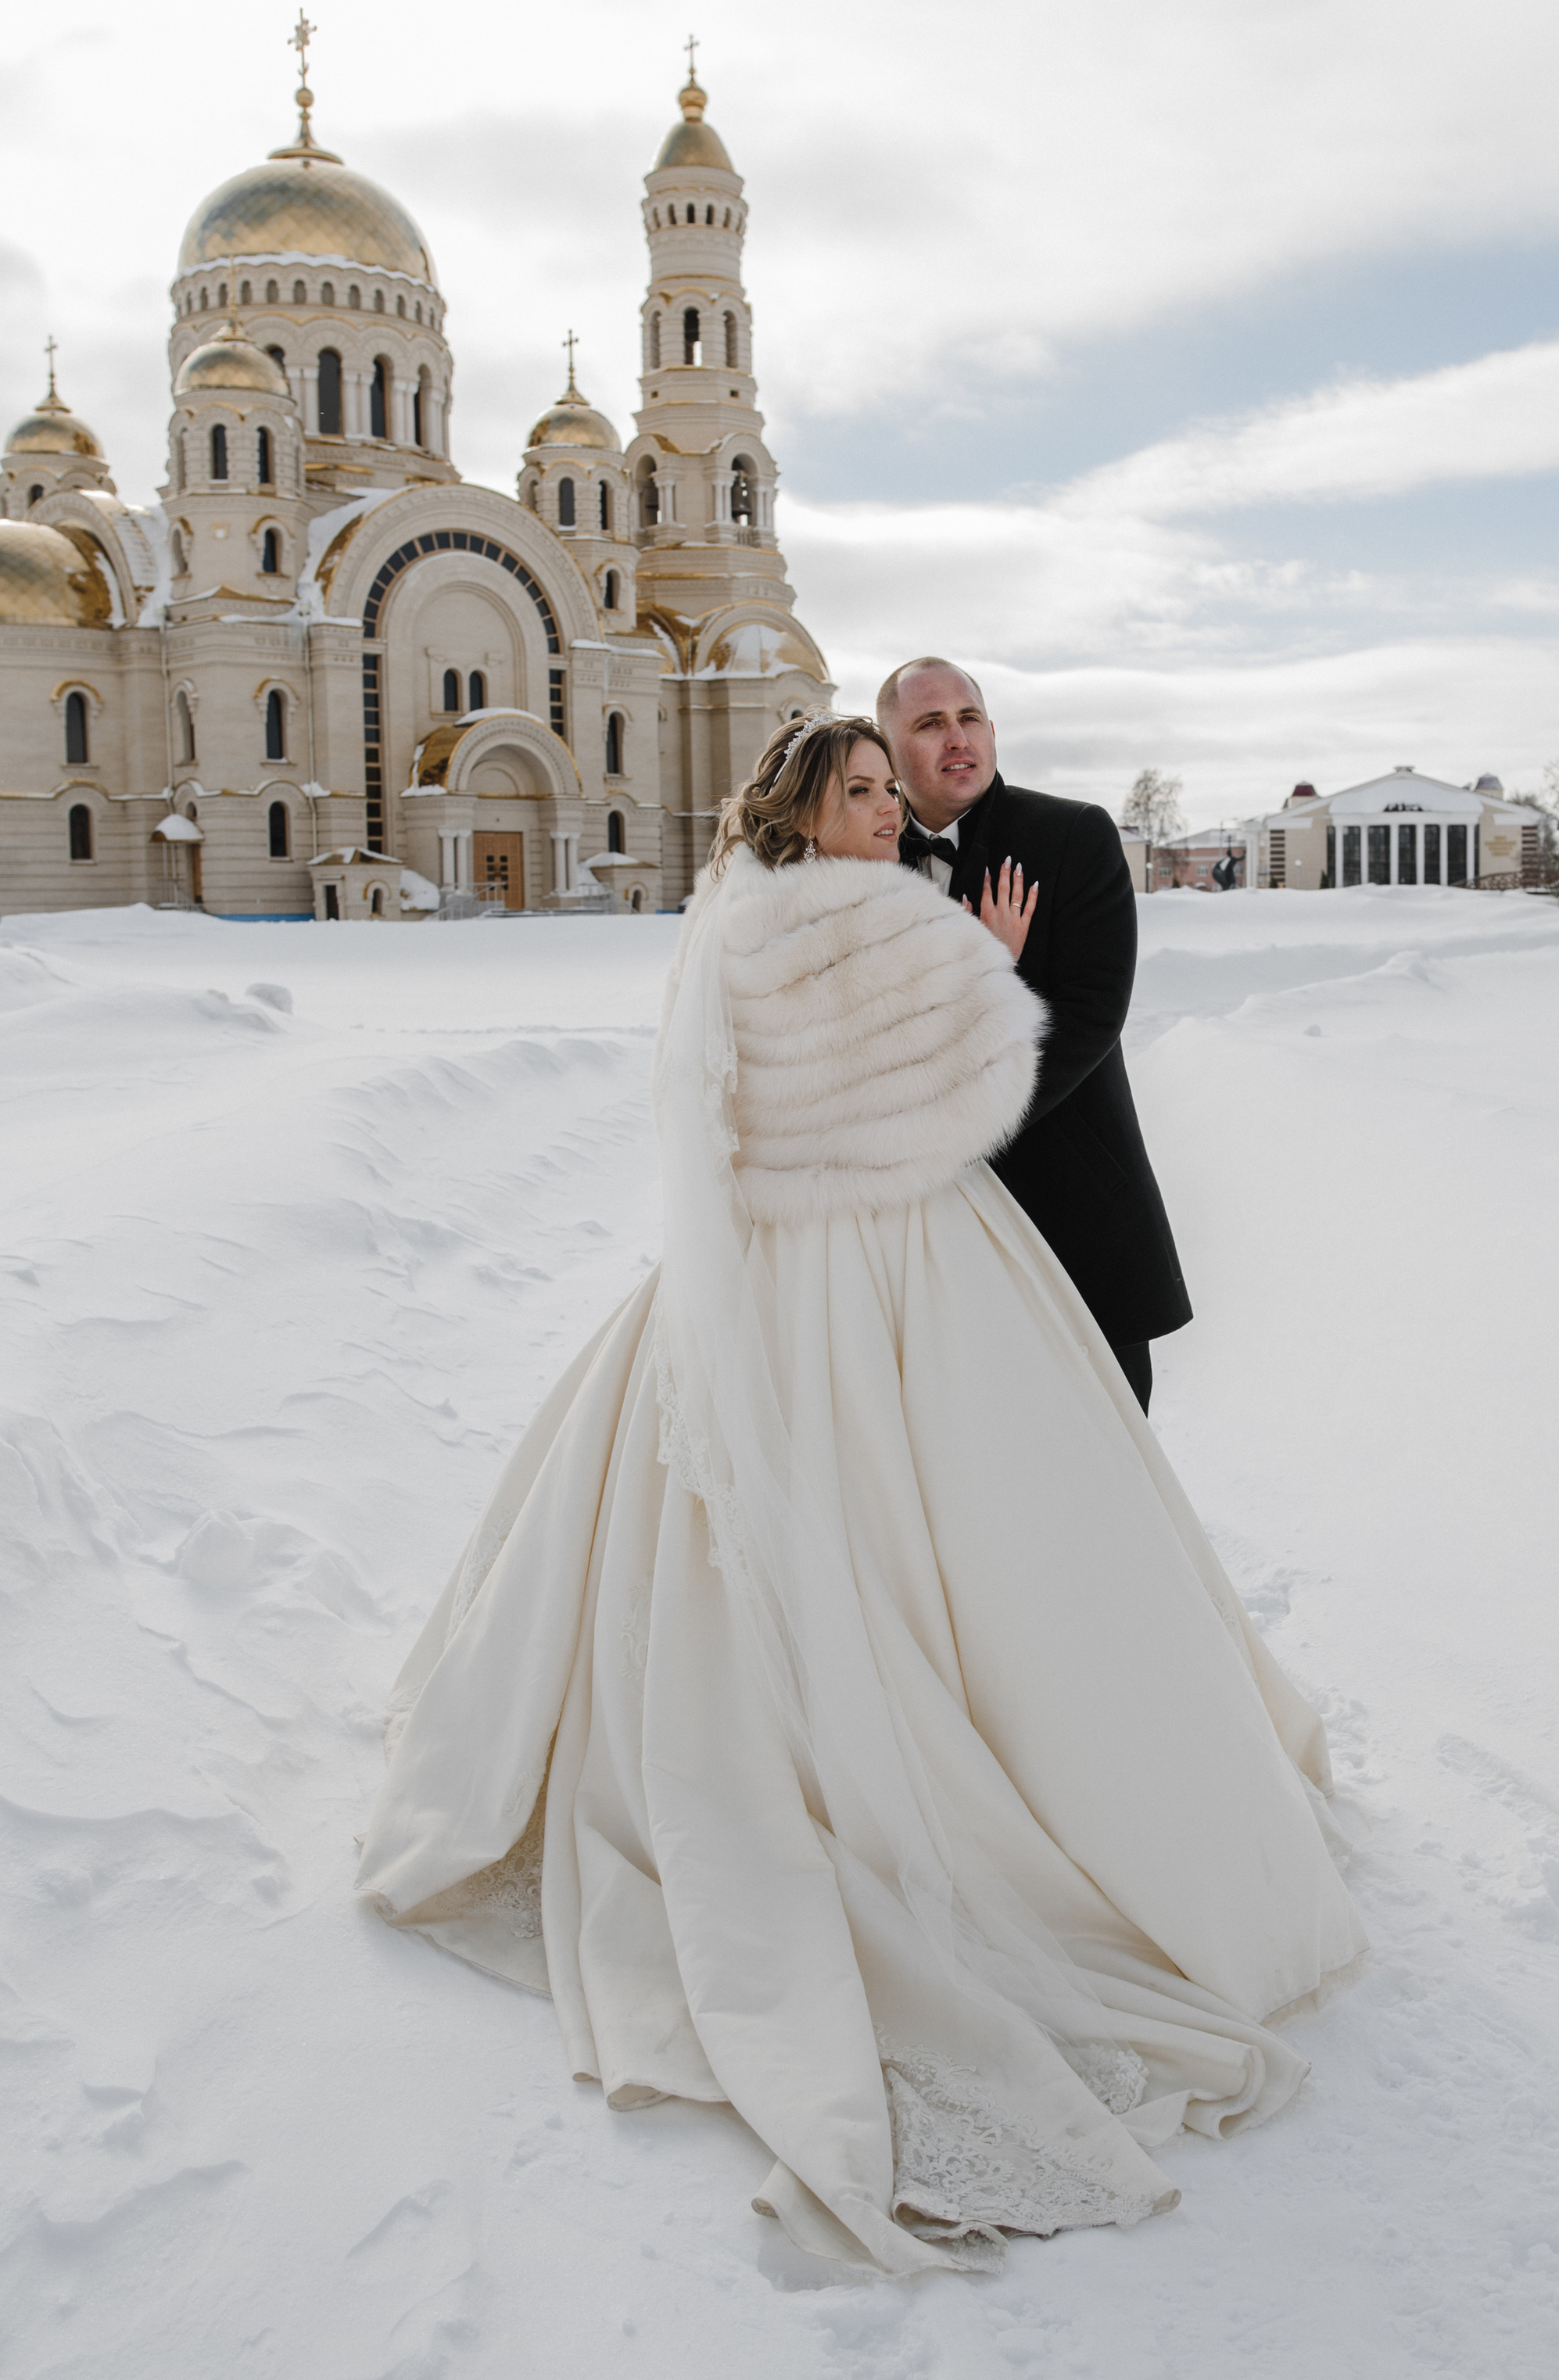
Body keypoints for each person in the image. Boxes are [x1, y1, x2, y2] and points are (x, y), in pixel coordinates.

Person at [357, 709, 1364, 2278]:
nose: (890, 807)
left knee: (742, 1567)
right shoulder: (892, 927)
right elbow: (969, 1105)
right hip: (904, 1266)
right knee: (985, 1557)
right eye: (862, 787)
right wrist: (985, 964)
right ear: (804, 806)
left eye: (894, 786)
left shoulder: (729, 923)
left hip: (749, 1275)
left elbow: (711, 1128)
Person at [876, 658, 1187, 1413]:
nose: (958, 738)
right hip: (921, 1232)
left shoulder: (1072, 834)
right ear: (887, 751)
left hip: (1071, 1210)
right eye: (929, 723)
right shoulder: (863, 854)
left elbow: (1089, 1014)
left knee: (1108, 1449)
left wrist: (953, 1129)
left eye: (970, 717)